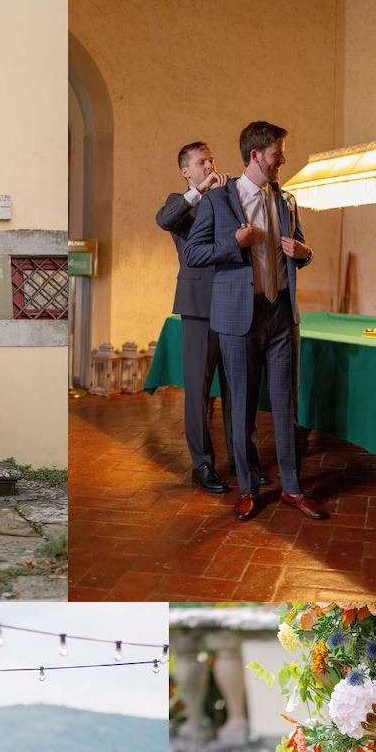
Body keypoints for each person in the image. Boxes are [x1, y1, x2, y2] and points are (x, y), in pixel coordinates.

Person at [183, 120, 328, 523]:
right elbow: (193, 254)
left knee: (286, 406)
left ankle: (293, 489)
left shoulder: (287, 200)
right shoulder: (218, 201)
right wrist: (234, 244)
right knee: (242, 408)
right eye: (277, 153)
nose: (282, 159)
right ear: (255, 156)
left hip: (281, 313)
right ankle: (247, 488)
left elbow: (302, 250)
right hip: (237, 318)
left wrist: (304, 251)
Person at [156, 142, 266, 494]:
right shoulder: (180, 203)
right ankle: (202, 464)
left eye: (211, 160)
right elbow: (163, 220)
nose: (209, 165)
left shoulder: (230, 196)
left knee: (239, 388)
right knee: (199, 391)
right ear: (187, 171)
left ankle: (242, 460)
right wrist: (198, 192)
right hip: (199, 307)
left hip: (235, 303)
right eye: (201, 162)